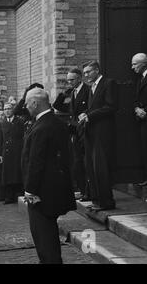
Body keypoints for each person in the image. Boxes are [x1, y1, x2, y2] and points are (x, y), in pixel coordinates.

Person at [22, 88, 76, 264]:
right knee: (48, 238)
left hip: (42, 193)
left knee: (44, 239)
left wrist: (30, 189)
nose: (26, 106)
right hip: (52, 188)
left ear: (35, 103)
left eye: (27, 103)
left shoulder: (43, 126)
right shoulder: (55, 122)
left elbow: (36, 161)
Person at [79, 61, 117, 211]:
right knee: (92, 167)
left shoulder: (109, 83)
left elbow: (111, 106)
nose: (86, 75)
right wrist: (85, 113)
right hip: (91, 132)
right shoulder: (91, 88)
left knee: (101, 168)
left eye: (88, 72)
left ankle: (106, 202)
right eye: (85, 73)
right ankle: (97, 200)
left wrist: (91, 116)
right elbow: (93, 107)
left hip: (103, 132)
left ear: (96, 70)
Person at [53, 68, 90, 201]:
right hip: (75, 132)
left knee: (85, 162)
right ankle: (82, 189)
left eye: (72, 79)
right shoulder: (73, 92)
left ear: (80, 78)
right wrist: (63, 94)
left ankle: (88, 191)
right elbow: (57, 106)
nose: (69, 82)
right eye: (68, 80)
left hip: (85, 130)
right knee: (77, 162)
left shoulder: (87, 90)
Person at [0, 101, 25, 204]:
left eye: (9, 109)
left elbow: (22, 137)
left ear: (13, 109)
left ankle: (18, 194)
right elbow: (1, 140)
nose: (7, 111)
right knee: (7, 175)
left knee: (17, 174)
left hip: (17, 152)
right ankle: (8, 197)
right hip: (6, 152)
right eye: (5, 109)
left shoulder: (19, 122)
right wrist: (0, 154)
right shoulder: (3, 123)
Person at [132, 53, 147, 186]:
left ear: (144, 63)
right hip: (142, 120)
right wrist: (137, 108)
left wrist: (145, 112)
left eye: (135, 64)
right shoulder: (139, 79)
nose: (132, 67)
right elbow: (136, 99)